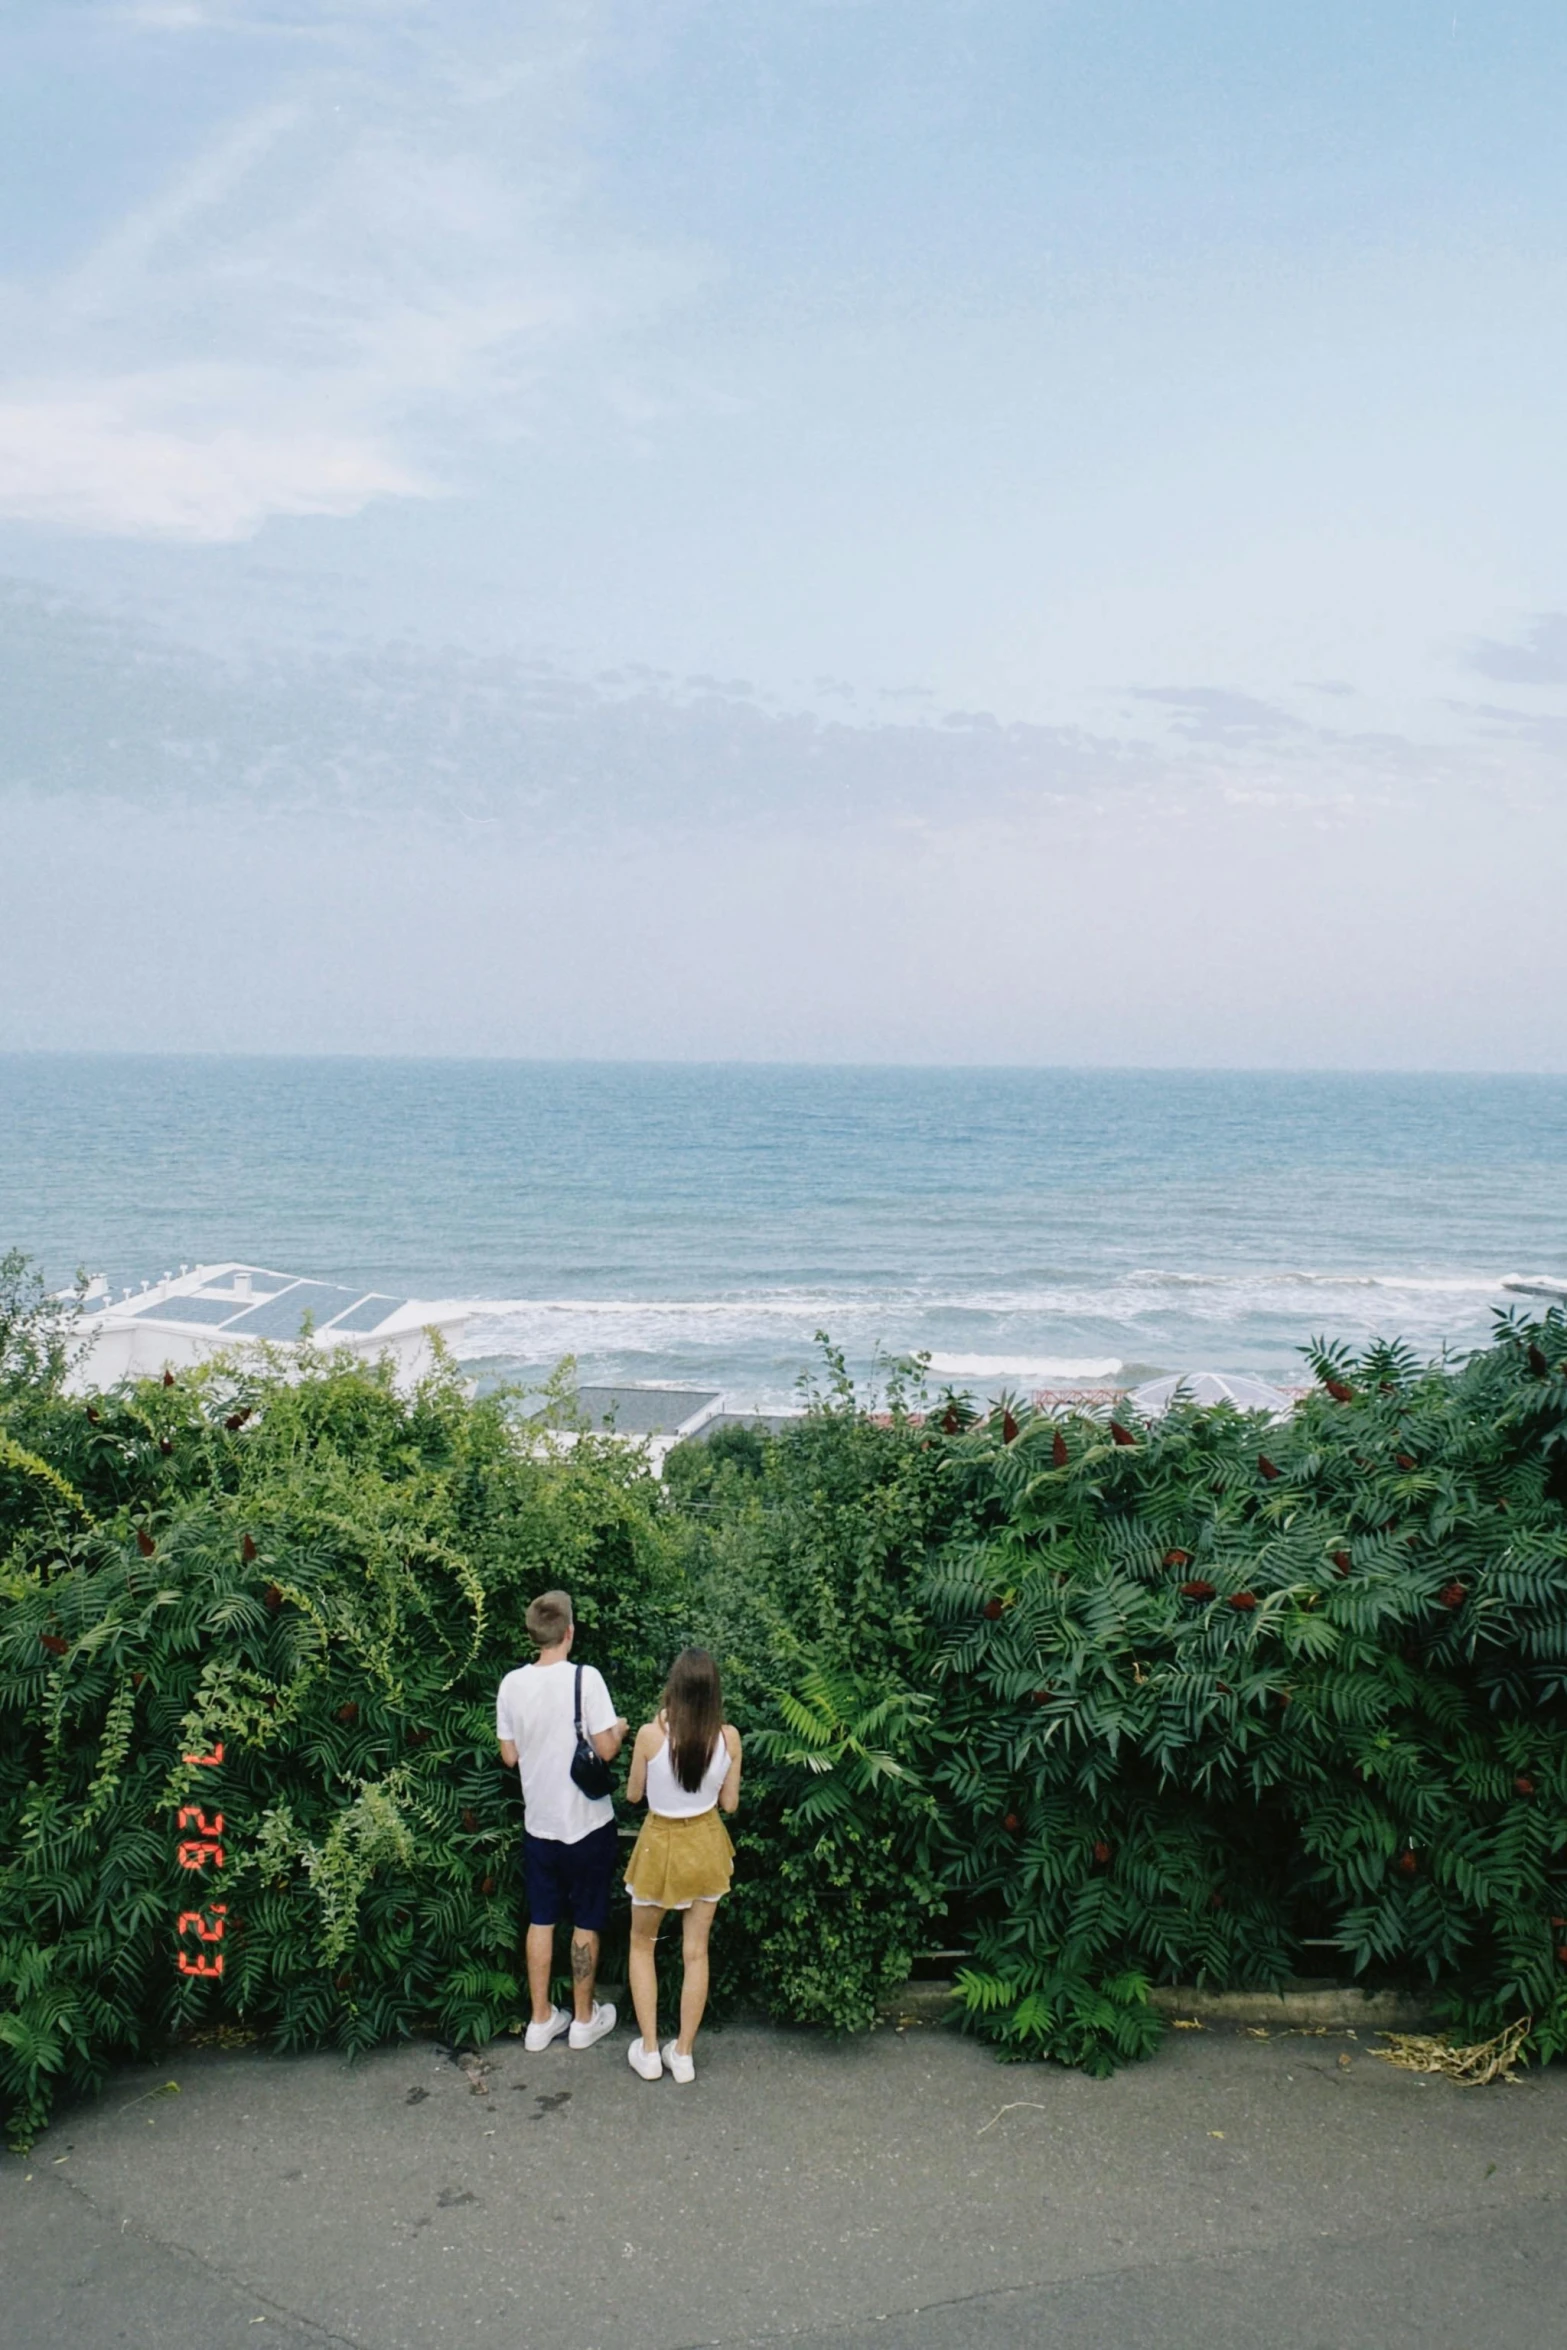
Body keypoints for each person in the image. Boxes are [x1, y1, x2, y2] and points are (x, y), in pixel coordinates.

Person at [495, 1590, 628, 2052]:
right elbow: (606, 1749)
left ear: (534, 1635)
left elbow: (509, 1756)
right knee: (587, 1919)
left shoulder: (511, 1685)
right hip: (587, 1822)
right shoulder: (585, 1679)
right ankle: (584, 2020)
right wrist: (623, 1730)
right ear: (569, 1631)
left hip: (540, 1825)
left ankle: (539, 2021)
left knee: (542, 1919)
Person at [622, 1647, 742, 2083]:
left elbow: (634, 1795)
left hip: (660, 1846)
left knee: (642, 1945)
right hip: (707, 1845)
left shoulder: (650, 1735)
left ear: (673, 1686)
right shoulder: (728, 1737)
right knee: (696, 1952)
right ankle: (685, 2055)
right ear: (714, 1692)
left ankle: (650, 2051)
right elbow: (729, 1803)